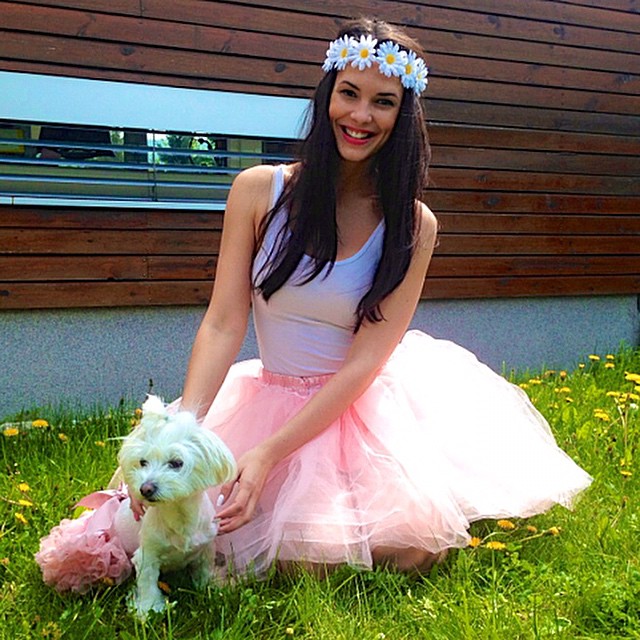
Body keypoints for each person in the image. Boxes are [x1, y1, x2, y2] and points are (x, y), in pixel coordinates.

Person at [35, 17, 592, 590]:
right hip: (268, 392)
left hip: (356, 405)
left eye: (383, 102)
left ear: (403, 116)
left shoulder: (413, 225)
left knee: (399, 549)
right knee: (173, 531)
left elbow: (365, 361)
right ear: (328, 95)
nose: (361, 115)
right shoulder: (259, 191)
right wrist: (182, 430)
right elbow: (224, 322)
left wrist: (269, 454)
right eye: (349, 93)